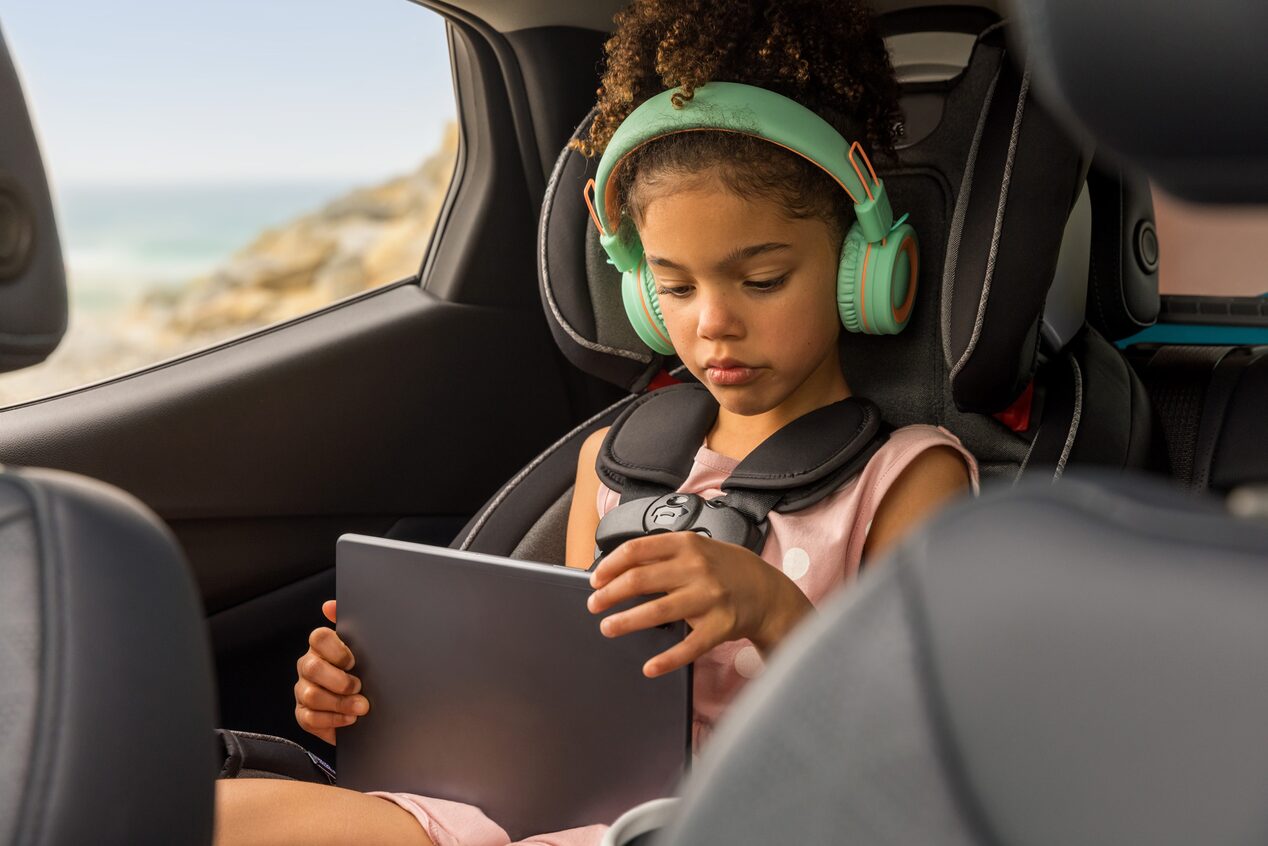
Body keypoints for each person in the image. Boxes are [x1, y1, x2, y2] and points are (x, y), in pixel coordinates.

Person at [213, 1, 977, 843]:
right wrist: (375, 702)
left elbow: (917, 752)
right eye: (676, 288)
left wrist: (769, 606)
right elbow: (567, 704)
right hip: (542, 811)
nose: (712, 323)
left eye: (760, 279)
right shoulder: (614, 464)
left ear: (862, 269)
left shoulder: (909, 479)